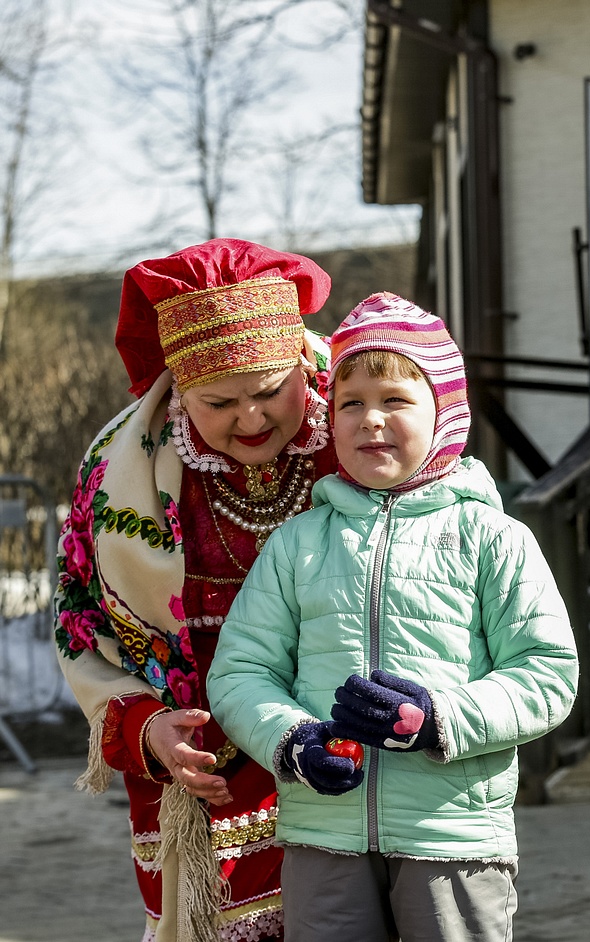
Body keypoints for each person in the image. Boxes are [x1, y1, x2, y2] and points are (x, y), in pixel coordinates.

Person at [206, 292, 579, 942]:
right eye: (351, 403)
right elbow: (241, 672)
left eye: (395, 401)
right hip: (324, 832)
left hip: (453, 833)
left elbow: (547, 675)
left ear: (445, 415)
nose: (370, 420)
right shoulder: (298, 543)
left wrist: (439, 719)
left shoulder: (492, 538)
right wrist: (293, 741)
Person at [54, 238, 338, 942]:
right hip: (206, 768)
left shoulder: (368, 428)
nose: (251, 420)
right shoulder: (120, 472)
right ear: (178, 389)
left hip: (354, 749)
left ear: (303, 361)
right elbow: (79, 614)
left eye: (272, 390)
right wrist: (144, 724)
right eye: (219, 401)